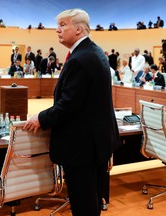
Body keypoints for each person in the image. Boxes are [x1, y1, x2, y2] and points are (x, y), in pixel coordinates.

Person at [23, 9, 120, 216]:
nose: (57, 30)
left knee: (84, 203)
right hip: (96, 142)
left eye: (63, 25)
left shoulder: (80, 59)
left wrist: (41, 118)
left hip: (82, 147)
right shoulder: (94, 52)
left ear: (78, 29)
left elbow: (68, 105)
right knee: (92, 199)